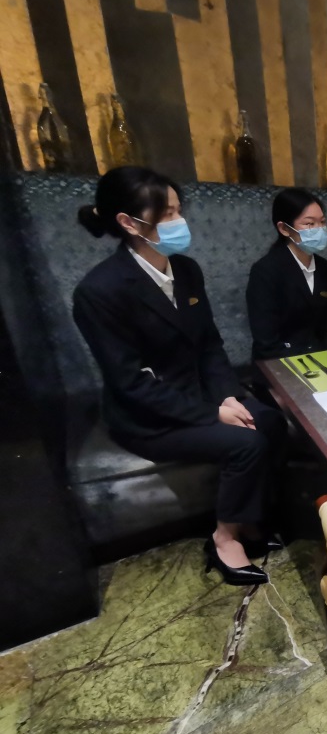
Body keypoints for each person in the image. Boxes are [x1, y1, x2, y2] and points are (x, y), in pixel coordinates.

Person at [73, 166, 287, 587]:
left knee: (272, 422)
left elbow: (209, 345)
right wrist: (213, 415)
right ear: (129, 223)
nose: (179, 221)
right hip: (148, 416)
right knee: (246, 442)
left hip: (202, 394)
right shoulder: (100, 291)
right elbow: (130, 384)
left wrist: (227, 396)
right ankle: (224, 538)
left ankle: (250, 518)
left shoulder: (186, 270)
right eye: (166, 214)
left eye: (178, 210)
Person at [246, 188, 327, 392]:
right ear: (284, 228)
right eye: (309, 224)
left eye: (322, 222)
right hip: (279, 370)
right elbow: (266, 342)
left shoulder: (323, 266)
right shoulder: (266, 270)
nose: (319, 229)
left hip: (321, 363)